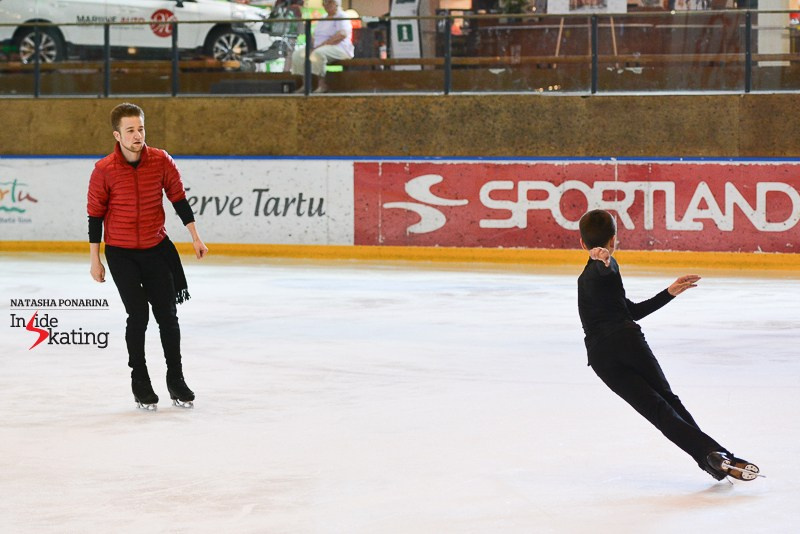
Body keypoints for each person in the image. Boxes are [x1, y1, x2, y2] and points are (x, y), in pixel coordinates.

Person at [577, 209, 759, 481]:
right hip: (627, 341)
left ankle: (713, 460)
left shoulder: (586, 279)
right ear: (614, 239)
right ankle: (715, 455)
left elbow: (631, 310)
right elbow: (605, 270)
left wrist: (669, 293)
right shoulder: (603, 267)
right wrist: (604, 260)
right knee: (669, 401)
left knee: (659, 412)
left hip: (601, 358)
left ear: (582, 243)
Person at [87, 103, 208, 411]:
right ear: (117, 135)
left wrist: (195, 236)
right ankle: (140, 379)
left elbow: (178, 198)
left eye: (140, 128)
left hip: (156, 249)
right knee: (138, 315)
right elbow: (95, 215)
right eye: (130, 130)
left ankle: (176, 378)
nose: (137, 135)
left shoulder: (161, 160)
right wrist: (95, 259)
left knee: (167, 315)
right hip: (121, 253)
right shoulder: (104, 170)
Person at [290, 0, 354, 93]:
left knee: (318, 54)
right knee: (298, 54)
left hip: (339, 48)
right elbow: (315, 35)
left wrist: (321, 45)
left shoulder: (342, 16)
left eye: (329, 2)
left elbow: (342, 34)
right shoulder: (323, 18)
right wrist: (311, 46)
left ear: (336, 4)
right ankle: (305, 85)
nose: (326, 5)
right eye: (324, 2)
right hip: (318, 47)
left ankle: (322, 85)